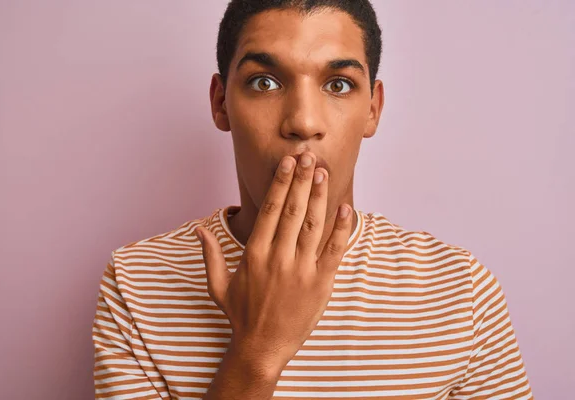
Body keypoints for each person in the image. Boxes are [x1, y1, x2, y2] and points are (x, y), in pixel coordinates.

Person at [92, 1, 533, 399]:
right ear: (221, 102)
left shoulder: (460, 289)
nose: (303, 122)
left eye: (338, 85)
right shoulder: (135, 281)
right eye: (264, 82)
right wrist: (258, 353)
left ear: (373, 109)